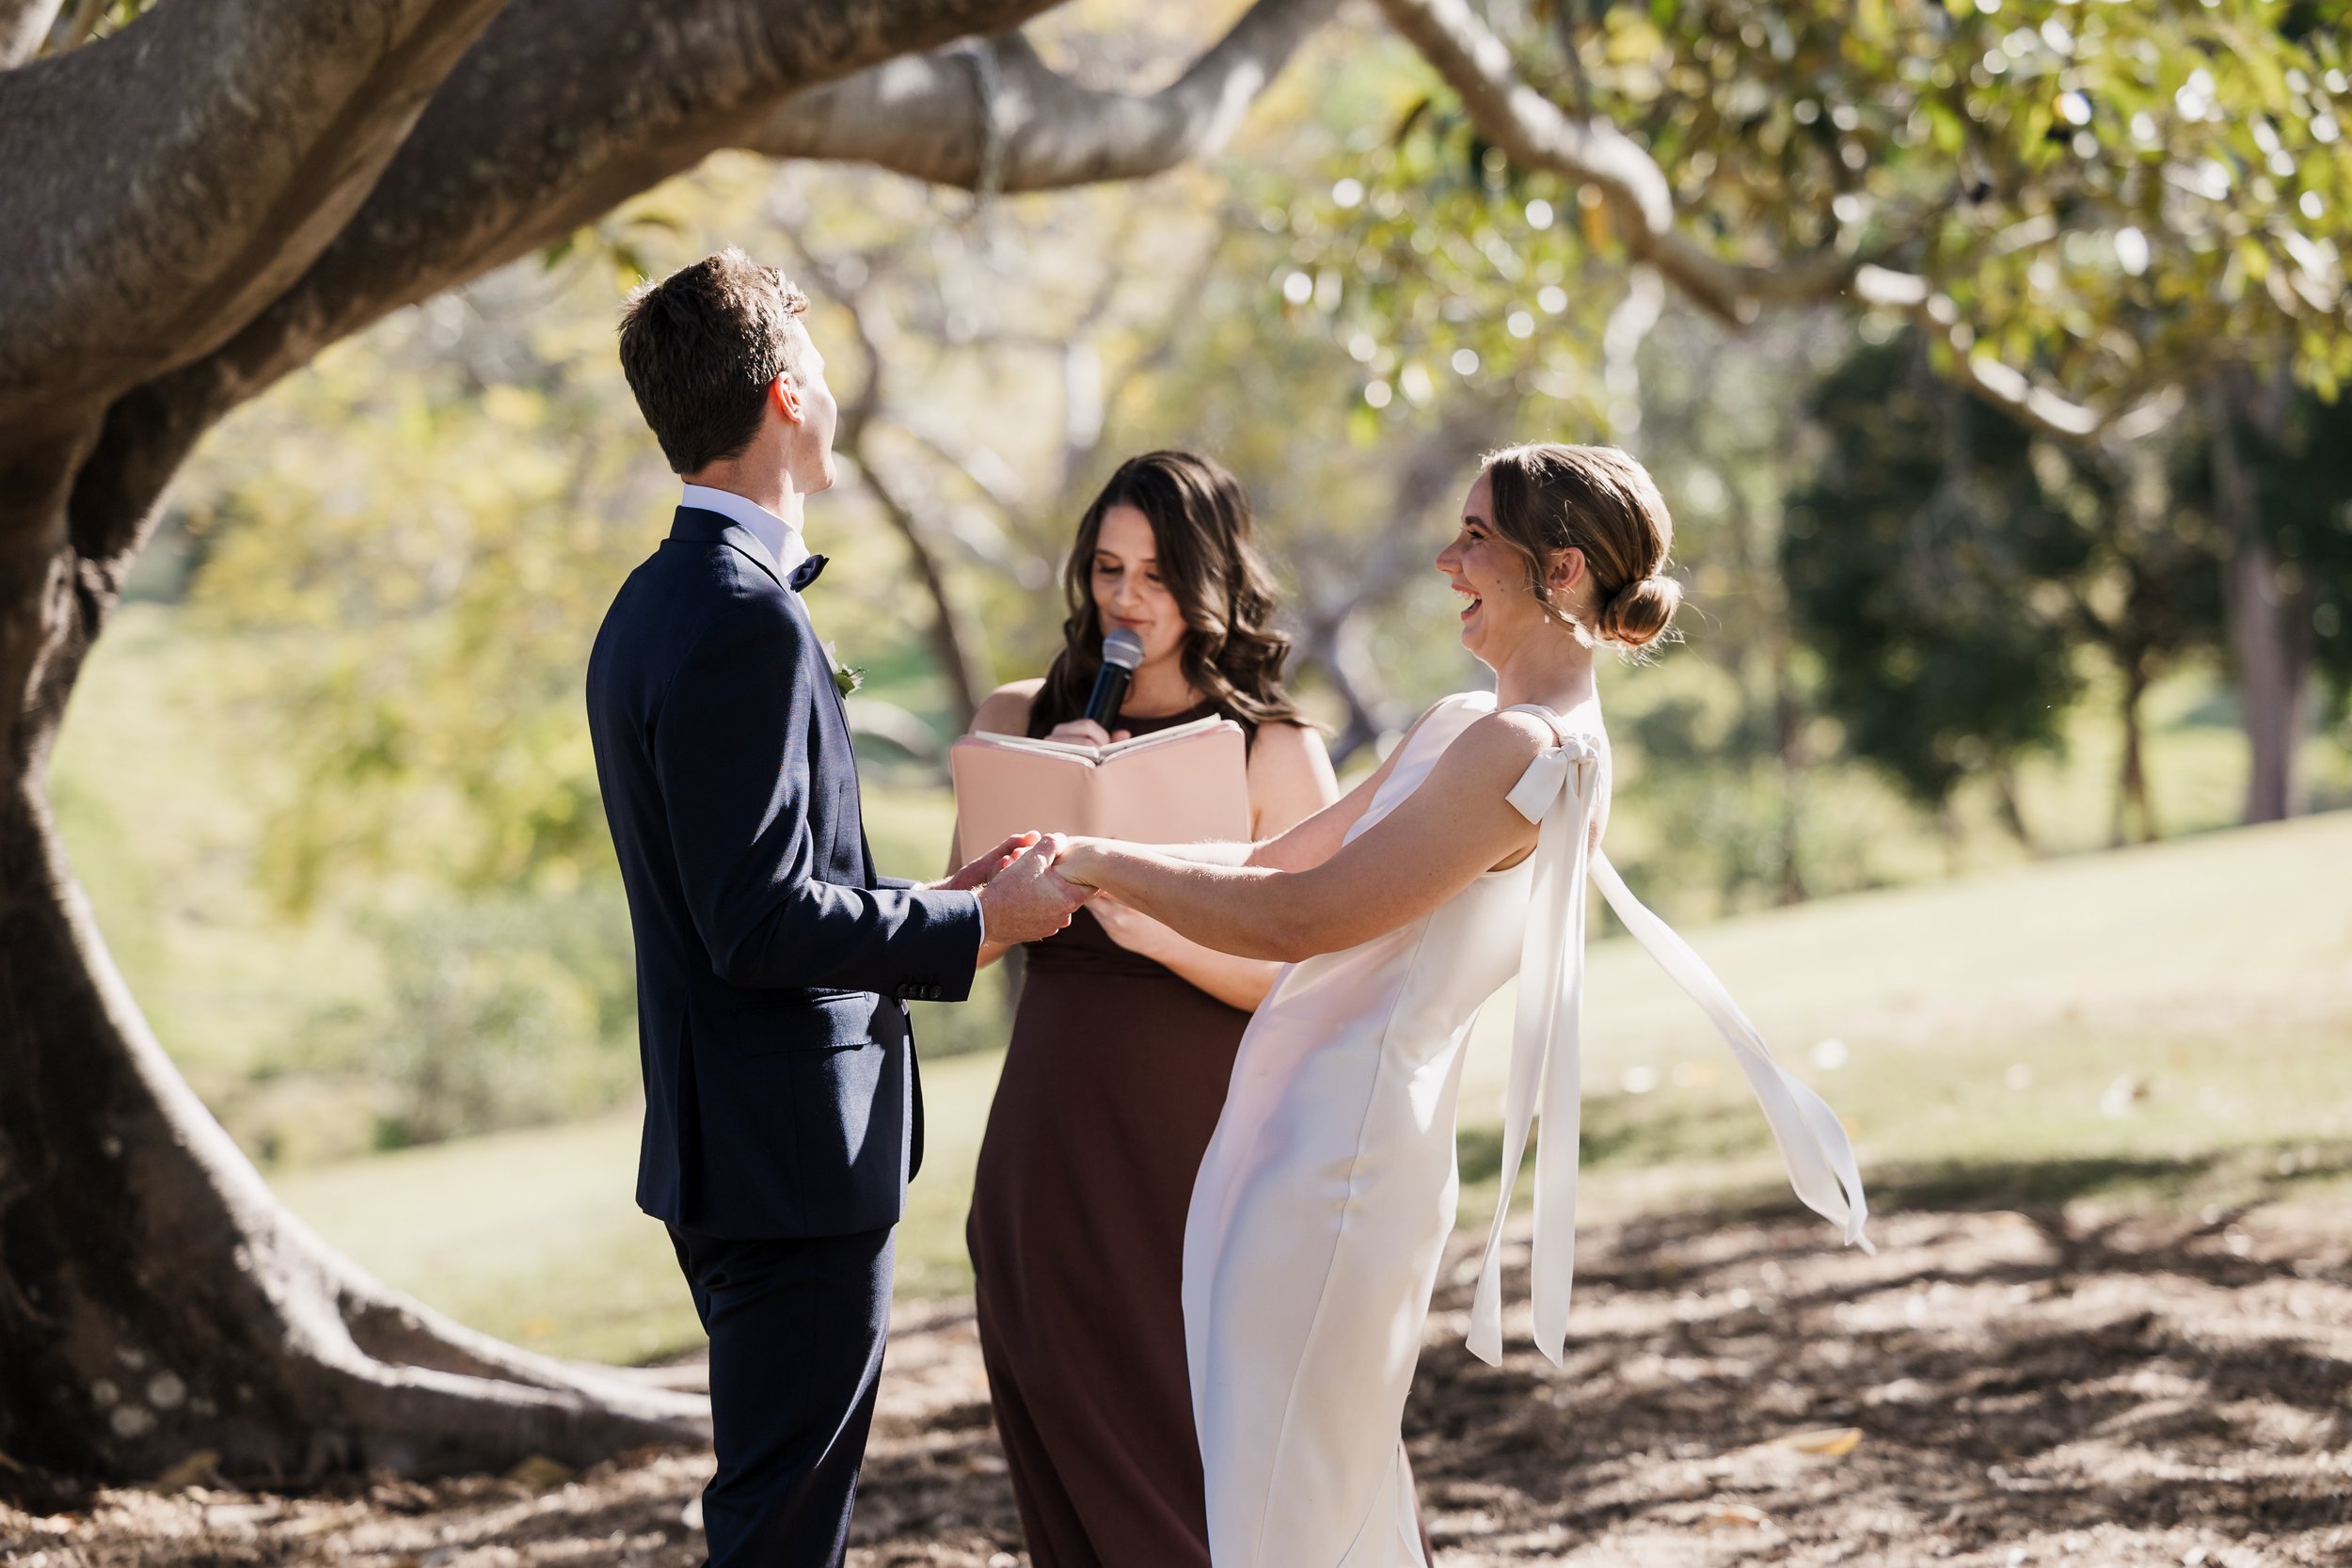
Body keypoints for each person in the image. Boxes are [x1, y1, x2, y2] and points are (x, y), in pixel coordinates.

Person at [1048, 442, 1871, 1567]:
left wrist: (1101, 861)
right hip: (1277, 1136)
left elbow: (1301, 913)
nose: (1446, 558)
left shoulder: (1523, 748)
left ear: (1563, 570)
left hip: (1335, 1164)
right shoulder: (1464, 721)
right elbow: (1270, 855)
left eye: (1477, 536)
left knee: (1288, 1517)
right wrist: (1077, 842)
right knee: (1297, 1498)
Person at [585, 249, 1088, 1568]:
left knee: (779, 1509)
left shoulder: (652, 606)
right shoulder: (735, 618)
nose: (830, 386)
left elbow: (750, 885)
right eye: (815, 362)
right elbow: (753, 920)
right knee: (779, 1525)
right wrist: (982, 928)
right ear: (785, 396)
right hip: (787, 1158)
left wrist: (940, 894)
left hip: (740, 1147)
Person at [960, 451, 1343, 1567]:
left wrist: (1145, 913)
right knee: (1074, 1425)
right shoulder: (1017, 712)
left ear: (1213, 576)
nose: (1124, 599)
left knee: (1212, 1433)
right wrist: (1045, 787)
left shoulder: (1276, 744)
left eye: (1157, 574)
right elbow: (963, 931)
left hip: (1207, 1140)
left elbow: (1300, 976)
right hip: (1050, 1141)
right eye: (1107, 568)